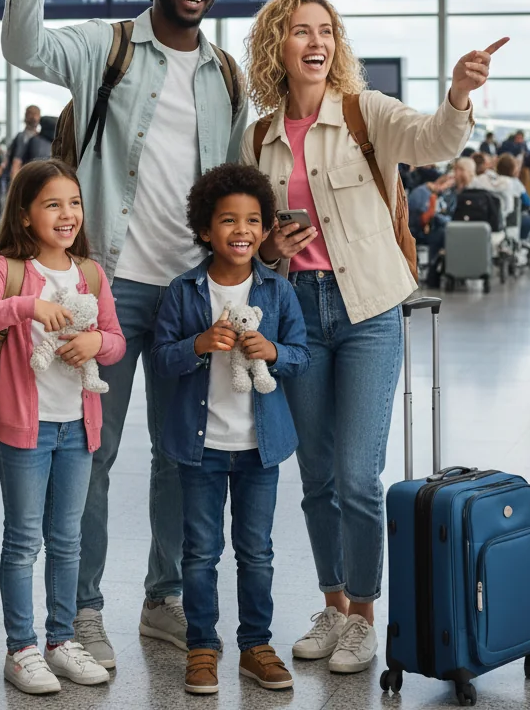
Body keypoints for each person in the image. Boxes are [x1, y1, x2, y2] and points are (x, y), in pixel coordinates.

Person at [2, 0, 249, 667]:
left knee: (182, 452)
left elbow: (232, 181)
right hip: (102, 287)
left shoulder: (227, 75)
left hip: (187, 295)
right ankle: (82, 609)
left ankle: (163, 597)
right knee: (93, 454)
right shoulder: (106, 48)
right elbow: (23, 45)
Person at [242, 0, 496, 675]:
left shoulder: (363, 111)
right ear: (279, 47)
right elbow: (252, 239)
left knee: (358, 474)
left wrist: (458, 92)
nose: (316, 42)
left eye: (326, 31)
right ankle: (331, 606)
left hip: (367, 312)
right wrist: (272, 249)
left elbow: (434, 140)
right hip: (296, 312)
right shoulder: (257, 137)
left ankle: (363, 613)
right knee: (318, 477)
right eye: (301, 32)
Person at [0, 160, 125, 693]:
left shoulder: (90, 274)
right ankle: (22, 648)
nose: (67, 214)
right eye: (52, 204)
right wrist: (26, 306)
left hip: (78, 427)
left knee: (68, 539)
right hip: (23, 430)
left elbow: (116, 339)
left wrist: (98, 343)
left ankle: (61, 638)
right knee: (24, 541)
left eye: (73, 203)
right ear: (26, 216)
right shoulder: (6, 270)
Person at [152, 164, 309, 695]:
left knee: (256, 551)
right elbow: (162, 359)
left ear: (265, 230)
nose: (240, 230)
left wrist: (276, 353)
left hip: (260, 449)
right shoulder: (183, 291)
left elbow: (302, 355)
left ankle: (256, 645)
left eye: (252, 221)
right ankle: (202, 646)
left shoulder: (279, 293)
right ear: (204, 229)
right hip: (201, 449)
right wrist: (198, 345)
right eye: (227, 220)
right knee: (199, 551)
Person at [6, 105, 42, 186]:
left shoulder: (39, 137)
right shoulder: (23, 137)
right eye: (32, 114)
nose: (34, 117)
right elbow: (16, 162)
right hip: (25, 179)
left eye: (36, 114)